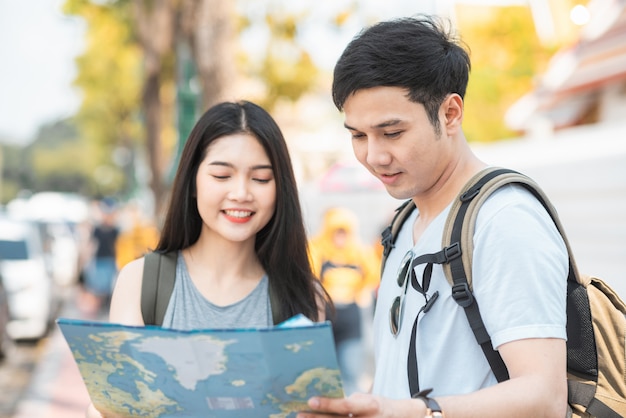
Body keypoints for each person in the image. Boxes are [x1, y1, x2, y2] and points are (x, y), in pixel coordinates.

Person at [298, 15, 568, 418]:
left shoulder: (504, 220)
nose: (374, 155)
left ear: (450, 113)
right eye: (357, 135)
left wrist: (416, 413)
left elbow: (544, 397)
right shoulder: (401, 223)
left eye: (391, 133)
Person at [86, 100, 331, 417]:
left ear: (279, 190)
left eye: (260, 179)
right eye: (221, 175)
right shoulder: (141, 282)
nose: (241, 193)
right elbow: (114, 403)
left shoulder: (302, 296)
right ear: (192, 183)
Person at [309, 207, 380, 395]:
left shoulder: (359, 252)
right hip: (325, 317)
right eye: (336, 233)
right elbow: (310, 276)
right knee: (323, 375)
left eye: (344, 233)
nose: (340, 238)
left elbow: (374, 273)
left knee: (351, 372)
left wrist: (360, 292)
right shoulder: (317, 250)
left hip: (350, 319)